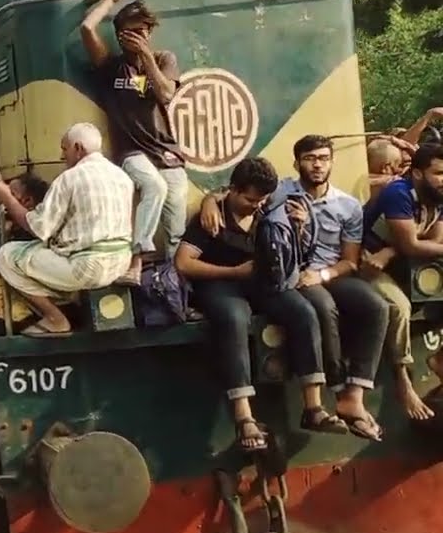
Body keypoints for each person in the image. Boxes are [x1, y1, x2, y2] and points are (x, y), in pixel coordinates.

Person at [199, 135, 388, 440]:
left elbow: (350, 261)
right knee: (320, 307)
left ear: (332, 162)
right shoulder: (280, 190)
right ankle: (335, 392)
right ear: (297, 163)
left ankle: (354, 396)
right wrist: (209, 201)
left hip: (329, 273)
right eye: (310, 159)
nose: (317, 165)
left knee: (377, 306)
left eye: (323, 158)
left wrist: (322, 275)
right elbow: (234, 192)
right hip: (293, 273)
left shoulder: (348, 205)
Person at [175, 157, 346, 452]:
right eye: (250, 199)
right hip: (221, 283)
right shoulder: (213, 217)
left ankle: (313, 407)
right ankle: (244, 417)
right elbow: (184, 263)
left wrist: (299, 229)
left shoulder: (269, 210)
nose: (256, 206)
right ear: (233, 190)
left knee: (304, 312)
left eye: (262, 200)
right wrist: (233, 272)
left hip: (263, 283)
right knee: (234, 319)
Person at [81, 0, 186, 285]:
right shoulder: (111, 66)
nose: (136, 37)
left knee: (176, 228)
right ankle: (137, 258)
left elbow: (166, 94)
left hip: (166, 151)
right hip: (131, 150)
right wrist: (109, 1)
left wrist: (146, 56)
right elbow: (87, 28)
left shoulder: (164, 59)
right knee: (153, 186)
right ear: (119, 36)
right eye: (129, 33)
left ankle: (176, 287)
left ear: (149, 32)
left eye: (141, 31)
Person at [0, 123, 134, 337]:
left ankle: (56, 319)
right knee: (41, 251)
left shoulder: (70, 178)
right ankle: (70, 301)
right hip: (120, 263)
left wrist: (7, 199)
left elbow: (37, 227)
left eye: (64, 149)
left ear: (78, 148)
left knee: (7, 256)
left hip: (88, 267)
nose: (62, 155)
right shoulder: (121, 176)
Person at [361, 143, 443, 421]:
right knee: (399, 307)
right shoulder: (399, 192)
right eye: (438, 173)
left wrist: (392, 250)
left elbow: (434, 241)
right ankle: (403, 381)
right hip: (365, 264)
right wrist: (401, 248)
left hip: (401, 264)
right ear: (417, 173)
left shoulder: (437, 197)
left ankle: (439, 359)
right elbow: (413, 246)